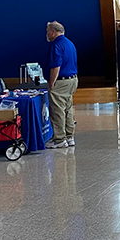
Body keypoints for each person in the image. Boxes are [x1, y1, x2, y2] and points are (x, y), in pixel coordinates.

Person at [45, 21, 78, 149]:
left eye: (47, 31)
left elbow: (55, 67)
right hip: (72, 80)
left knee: (57, 110)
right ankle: (70, 137)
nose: (46, 34)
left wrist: (51, 83)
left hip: (61, 82)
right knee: (67, 109)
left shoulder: (57, 45)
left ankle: (59, 139)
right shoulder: (70, 43)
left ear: (53, 31)